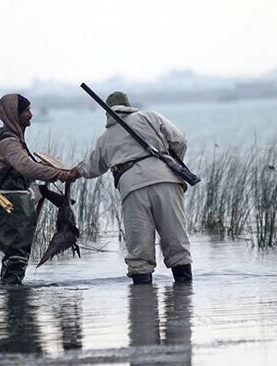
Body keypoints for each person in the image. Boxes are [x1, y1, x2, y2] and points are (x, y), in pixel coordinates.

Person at [69, 91, 193, 284]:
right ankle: (184, 296)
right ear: (128, 105)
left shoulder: (106, 137)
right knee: (177, 242)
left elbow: (93, 166)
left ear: (107, 113)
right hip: (167, 182)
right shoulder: (150, 116)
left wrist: (74, 172)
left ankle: (142, 301)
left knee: (139, 250)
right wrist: (169, 164)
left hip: (133, 188)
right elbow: (180, 141)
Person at [0, 93, 73, 285]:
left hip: (14, 205)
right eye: (26, 110)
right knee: (17, 256)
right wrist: (58, 174)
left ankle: (11, 298)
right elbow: (26, 167)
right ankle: (15, 302)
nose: (30, 114)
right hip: (12, 207)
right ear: (14, 114)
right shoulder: (9, 142)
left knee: (15, 256)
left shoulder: (9, 138)